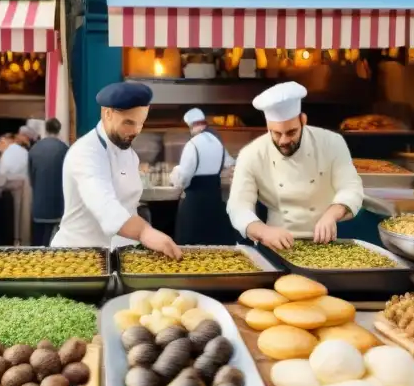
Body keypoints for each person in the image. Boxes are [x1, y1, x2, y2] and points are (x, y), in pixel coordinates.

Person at [227, 82, 363, 249]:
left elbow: (351, 187)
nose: (284, 140)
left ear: (303, 121)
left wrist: (331, 215)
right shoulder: (251, 154)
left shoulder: (331, 142)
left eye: (291, 132)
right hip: (277, 245)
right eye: (276, 133)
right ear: (268, 127)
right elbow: (238, 206)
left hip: (327, 243)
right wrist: (263, 231)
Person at [52, 82, 181, 257]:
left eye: (141, 123)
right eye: (129, 122)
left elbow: (128, 205)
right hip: (78, 256)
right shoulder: (86, 152)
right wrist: (144, 232)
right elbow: (105, 205)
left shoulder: (130, 155)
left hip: (118, 256)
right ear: (107, 114)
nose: (136, 131)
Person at [171, 108, 236, 245]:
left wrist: (175, 172)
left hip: (195, 204)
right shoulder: (217, 141)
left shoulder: (192, 144)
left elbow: (183, 178)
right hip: (215, 201)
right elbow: (230, 162)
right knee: (215, 246)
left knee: (191, 246)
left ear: (191, 126)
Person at [29, 117, 69, 246]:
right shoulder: (65, 149)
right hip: (59, 202)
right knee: (57, 242)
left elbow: (31, 176)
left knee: (39, 241)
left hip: (39, 201)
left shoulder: (34, 148)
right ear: (59, 130)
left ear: (45, 130)